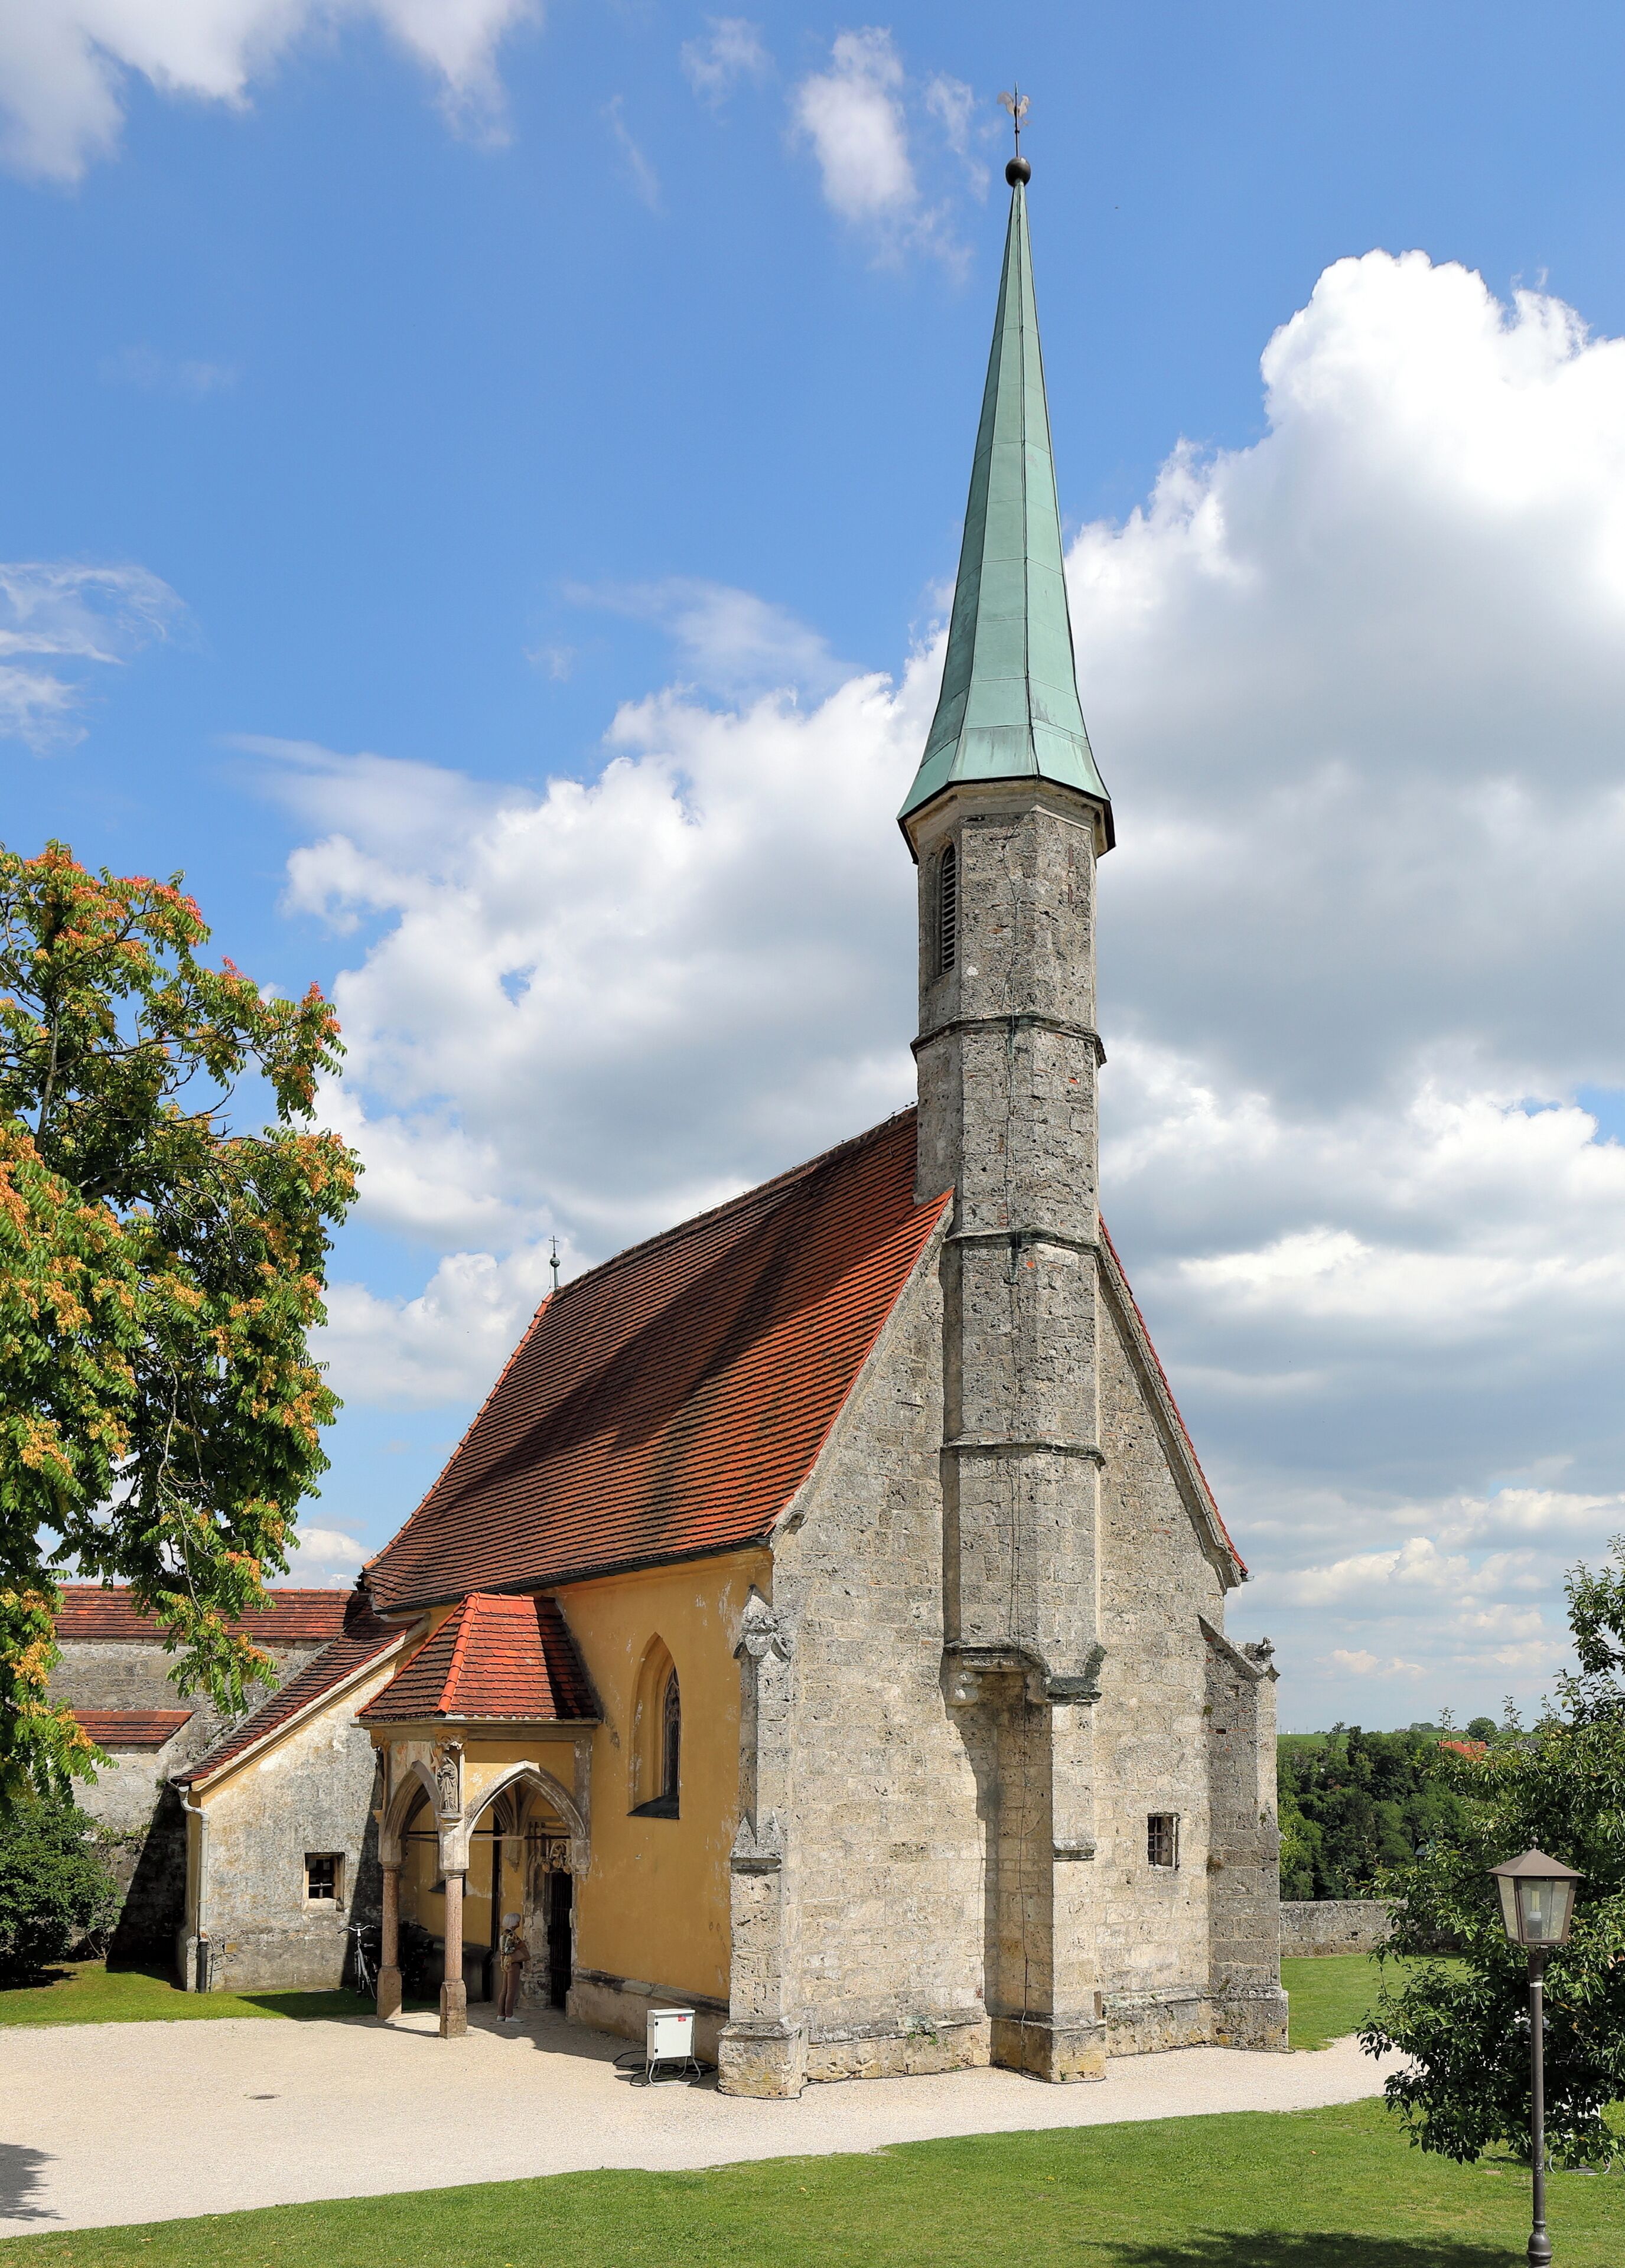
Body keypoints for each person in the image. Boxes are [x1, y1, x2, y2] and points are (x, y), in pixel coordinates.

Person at [497, 1912, 527, 2023]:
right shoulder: (511, 1934)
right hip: (512, 1963)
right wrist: (521, 1945)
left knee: (504, 1990)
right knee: (511, 1990)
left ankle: (501, 2014)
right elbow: (508, 1950)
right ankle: (509, 2015)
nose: (519, 1923)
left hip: (505, 1963)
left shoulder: (503, 1934)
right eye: (518, 1921)